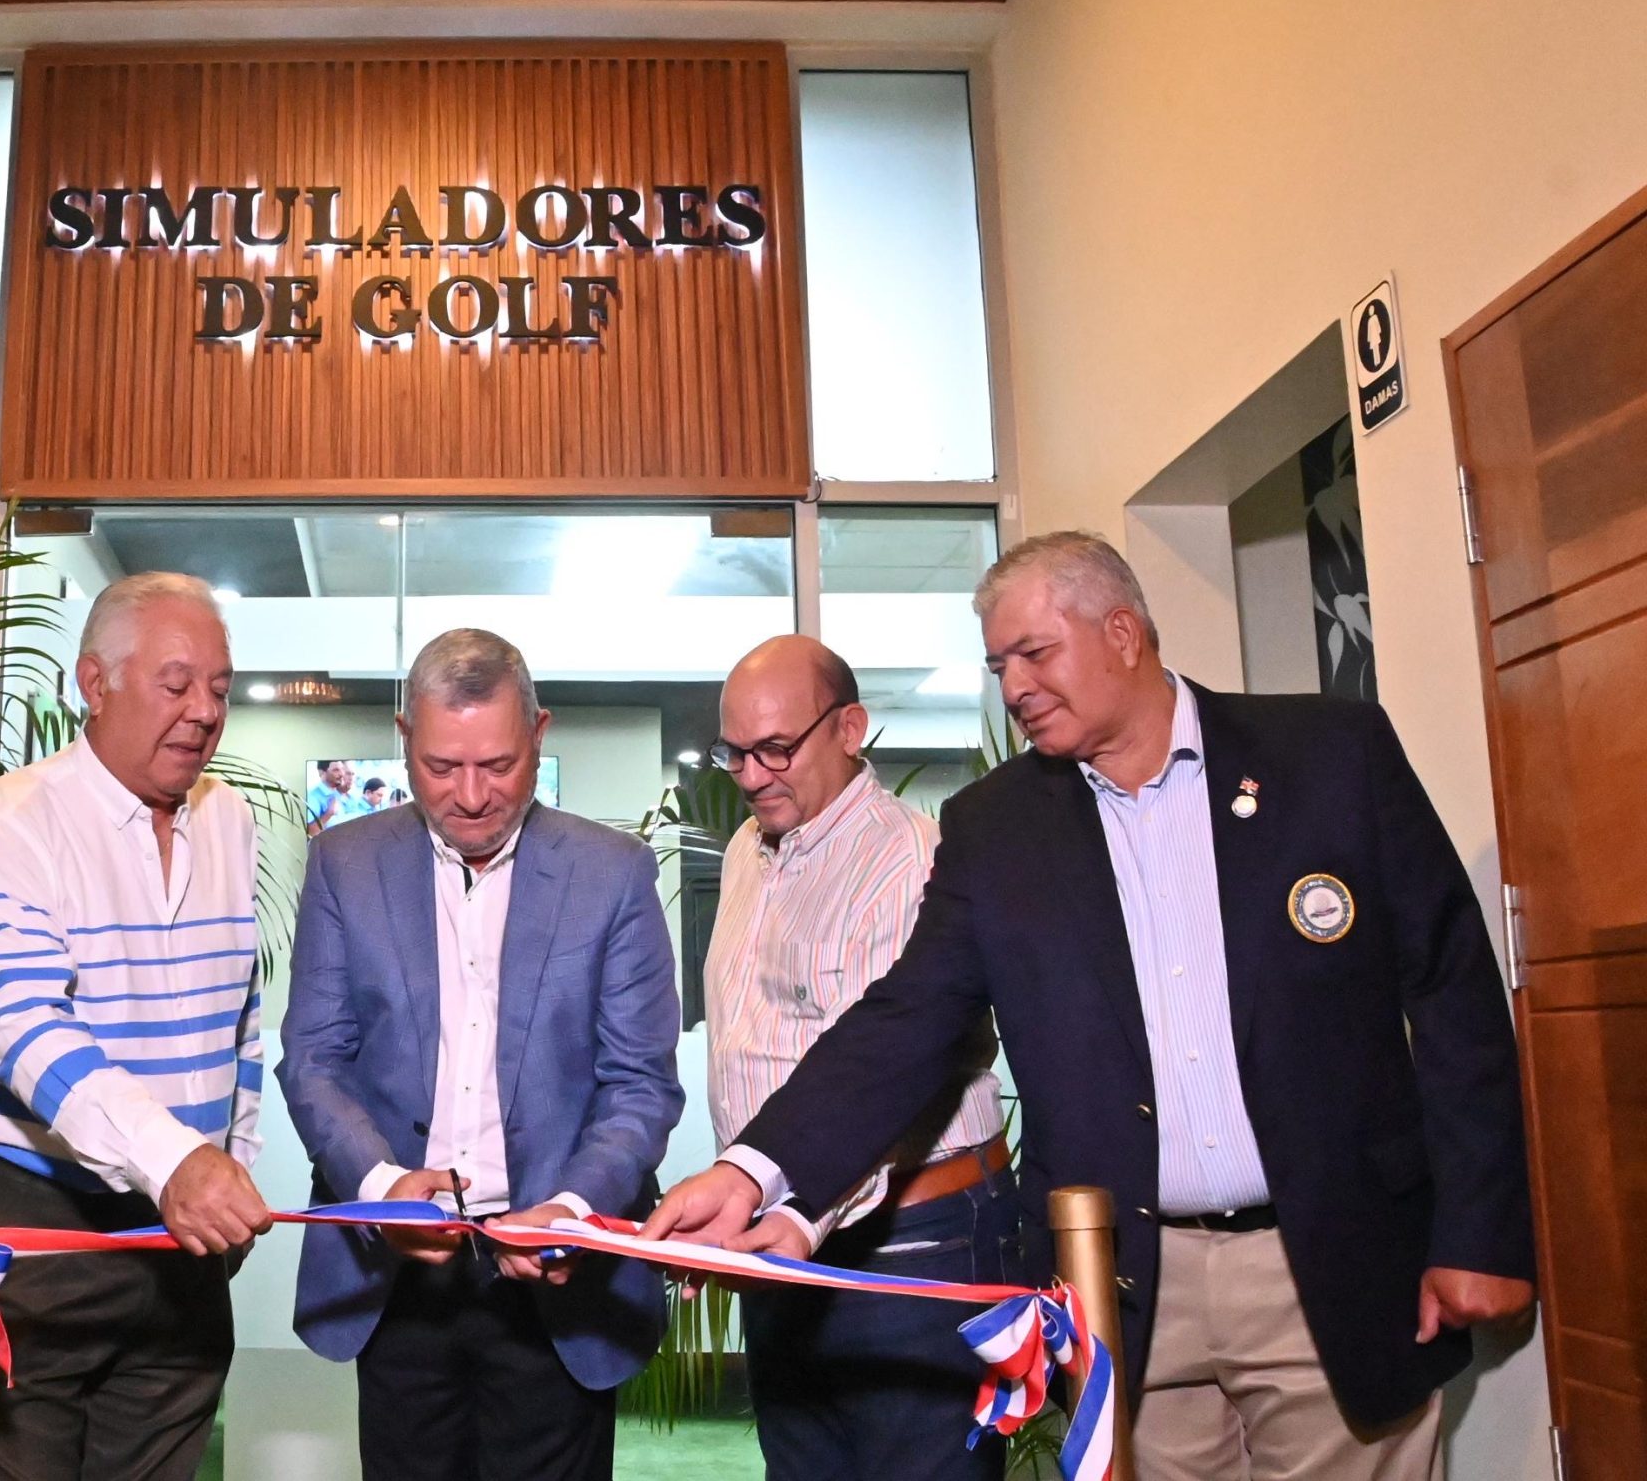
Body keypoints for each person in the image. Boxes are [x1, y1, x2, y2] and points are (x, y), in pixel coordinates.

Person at [647, 532, 1535, 1481]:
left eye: (1035, 652)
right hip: (1129, 1286)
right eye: (999, 665)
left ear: (1122, 632)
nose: (1015, 686)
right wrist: (753, 1171)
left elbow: (1453, 992)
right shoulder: (997, 826)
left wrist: (1480, 1233)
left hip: (1326, 1260)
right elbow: (906, 1019)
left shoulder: (1329, 756)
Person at [278, 628, 685, 1481]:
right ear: (404, 739)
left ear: (539, 733)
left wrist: (572, 1208)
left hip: (557, 1281)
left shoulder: (613, 874)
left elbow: (640, 1085)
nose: (470, 795)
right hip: (399, 1279)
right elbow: (313, 1056)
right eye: (441, 766)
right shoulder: (345, 864)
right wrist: (381, 1186)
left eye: (498, 764)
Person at [0, 571, 273, 1481]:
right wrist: (177, 1161)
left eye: (220, 688)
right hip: (27, 1225)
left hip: (177, 1241)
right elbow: (25, 1029)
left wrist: (231, 1161)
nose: (205, 711)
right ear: (95, 682)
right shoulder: (13, 822)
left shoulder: (230, 819)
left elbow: (242, 1021)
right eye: (176, 683)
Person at [704, 635, 1019, 1481]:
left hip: (912, 1242)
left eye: (776, 747)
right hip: (778, 1235)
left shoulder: (911, 859)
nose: (752, 774)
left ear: (850, 727)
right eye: (735, 752)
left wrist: (786, 1206)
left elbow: (894, 1072)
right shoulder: (745, 851)